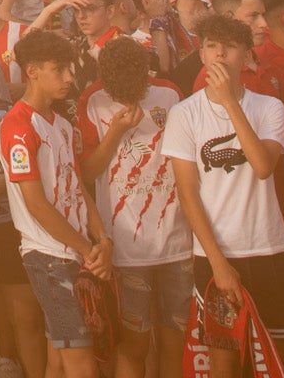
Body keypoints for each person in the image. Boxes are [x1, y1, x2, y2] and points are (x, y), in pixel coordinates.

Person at [163, 16, 284, 377]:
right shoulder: (183, 113)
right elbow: (188, 194)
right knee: (224, 359)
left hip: (269, 248)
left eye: (229, 47)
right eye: (212, 46)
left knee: (282, 357)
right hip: (216, 253)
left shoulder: (268, 107)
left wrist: (230, 104)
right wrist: (218, 264)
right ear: (201, 53)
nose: (220, 55)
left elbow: (263, 166)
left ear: (247, 55)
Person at [2, 28, 110, 378]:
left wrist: (102, 238)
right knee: (82, 364)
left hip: (74, 251)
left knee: (60, 361)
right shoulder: (17, 126)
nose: (68, 78)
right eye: (59, 70)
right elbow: (35, 203)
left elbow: (78, 188)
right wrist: (88, 248)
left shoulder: (62, 124)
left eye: (69, 69)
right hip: (48, 256)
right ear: (32, 71)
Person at [79, 37, 190, 378]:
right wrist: (115, 132)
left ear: (146, 74)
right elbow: (86, 173)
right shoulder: (92, 100)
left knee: (175, 343)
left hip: (177, 241)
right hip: (125, 246)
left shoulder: (169, 94)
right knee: (134, 345)